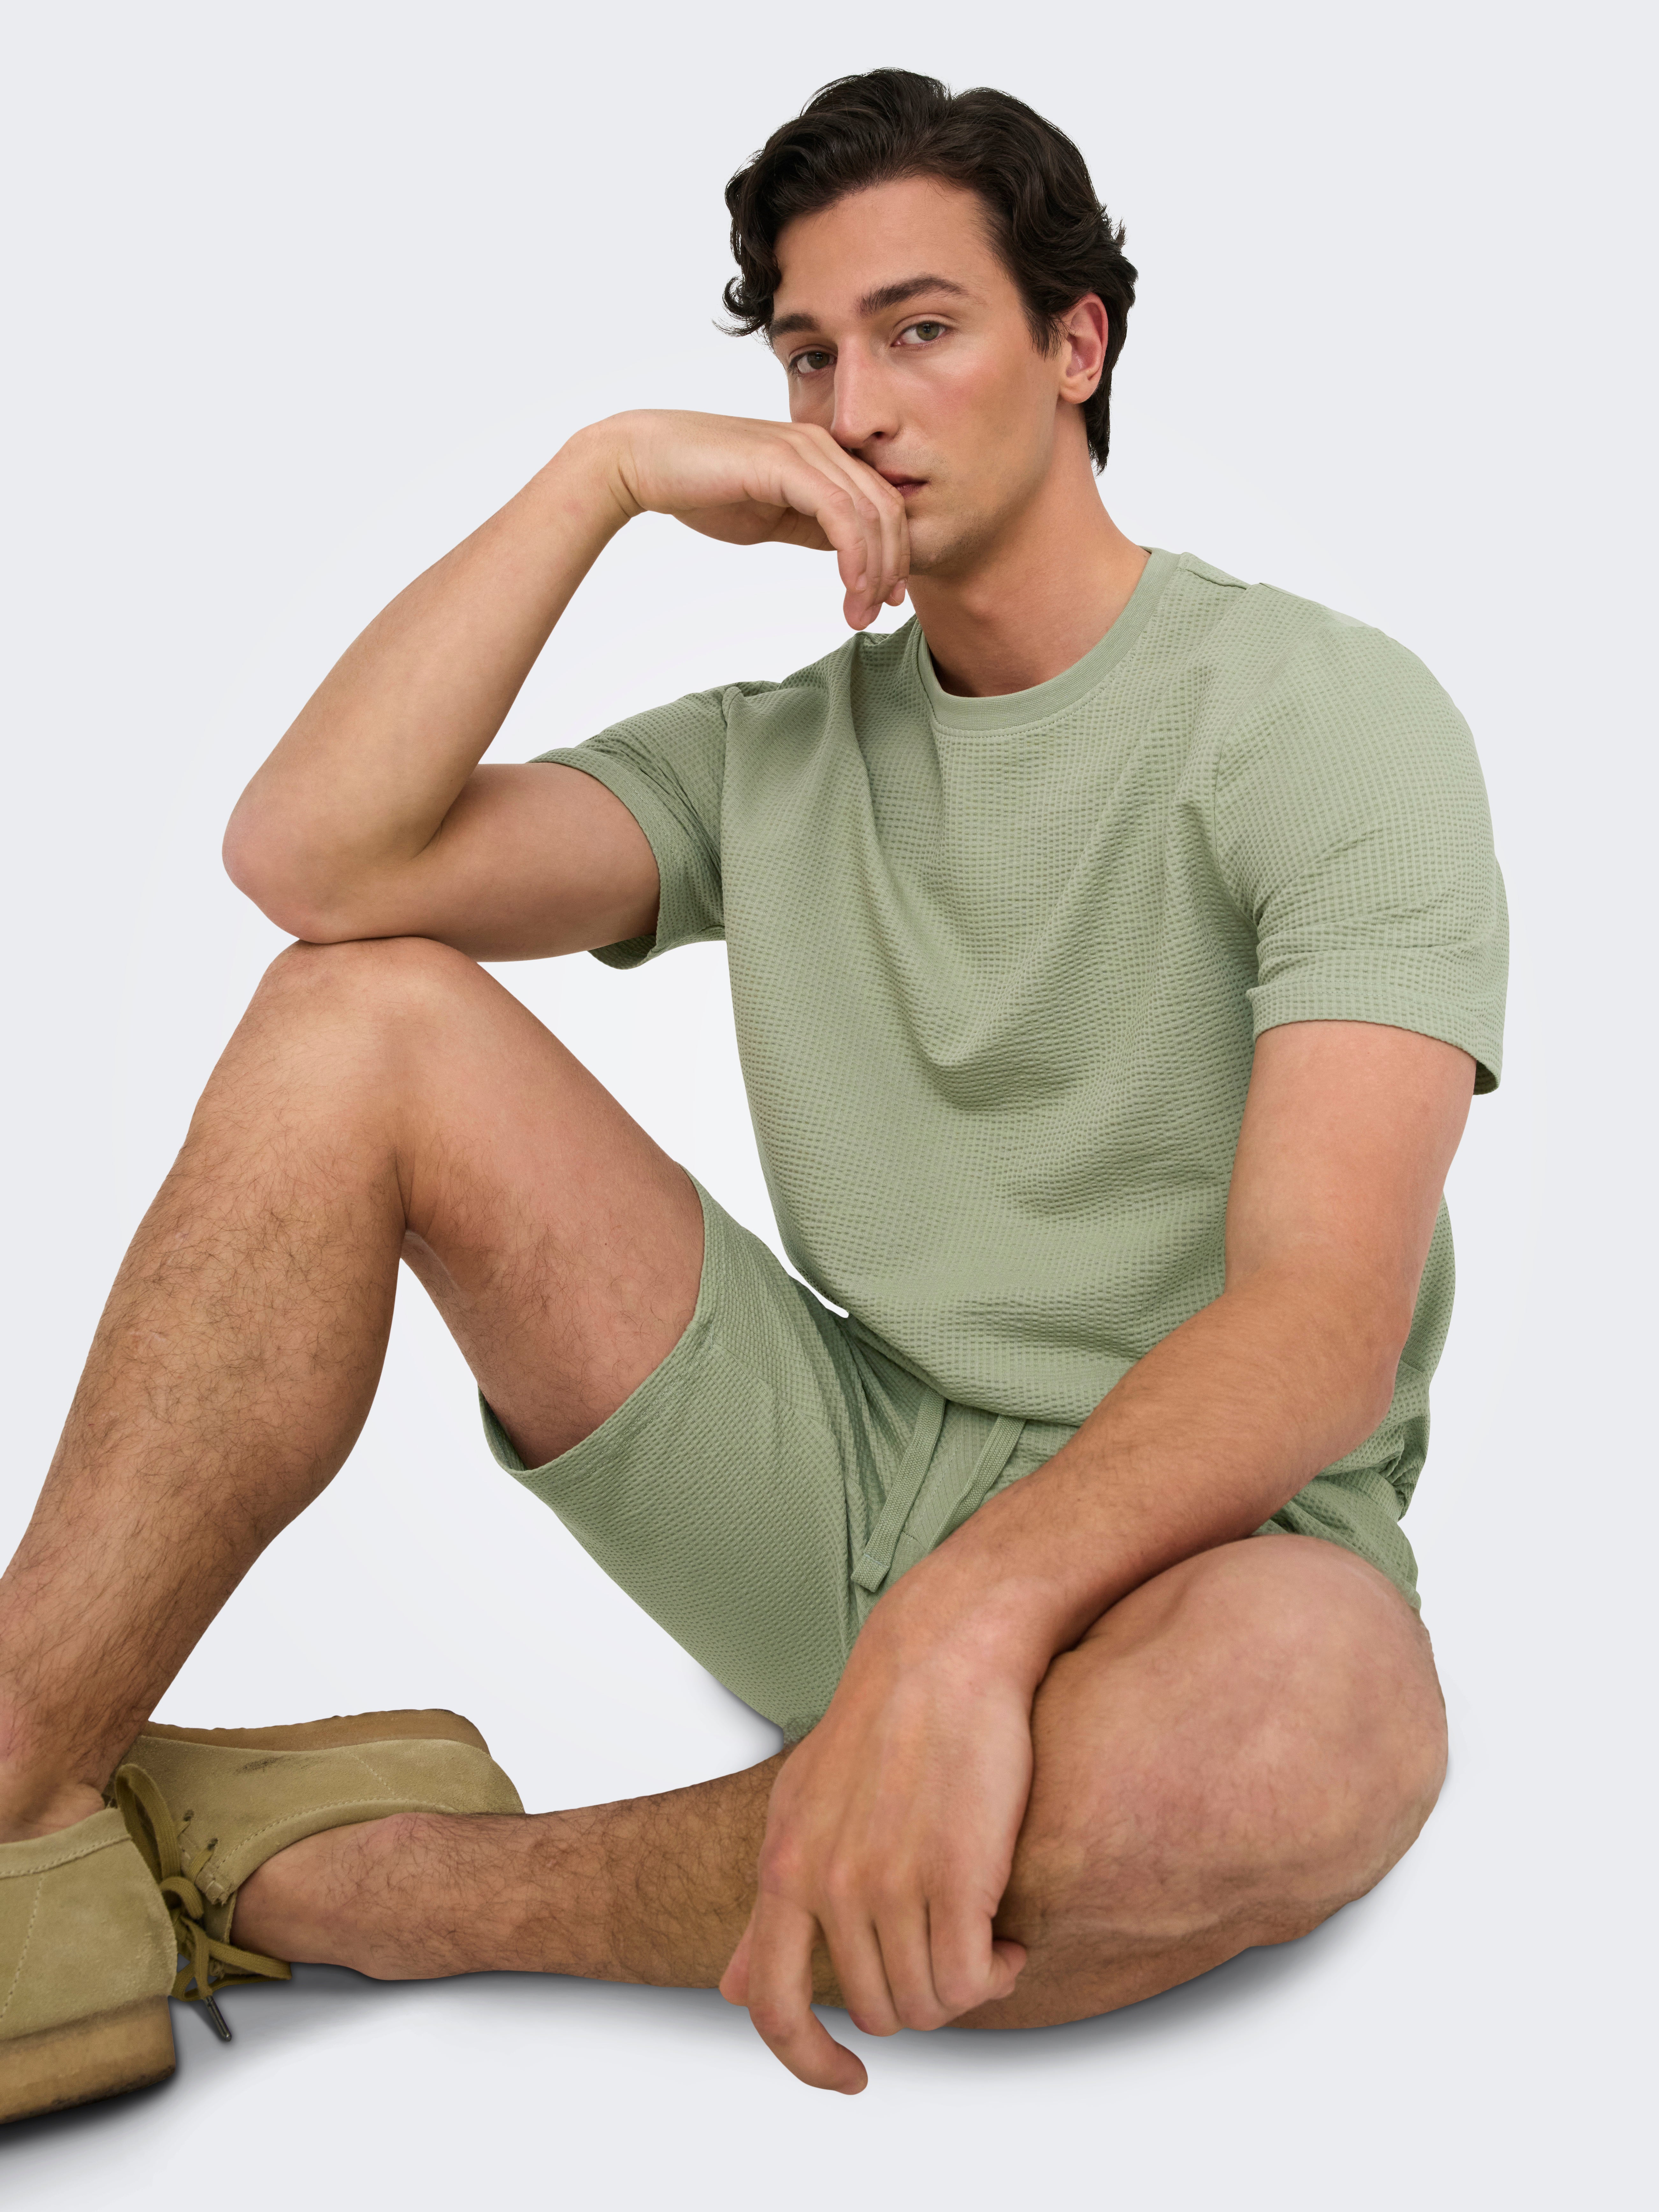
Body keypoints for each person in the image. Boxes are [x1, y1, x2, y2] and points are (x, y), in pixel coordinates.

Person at [0, 67, 1506, 2121]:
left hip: (1210, 1553)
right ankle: (20, 1788)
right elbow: (314, 861)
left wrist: (975, 1622)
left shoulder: (1325, 718)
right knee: (354, 1017)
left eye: (920, 328)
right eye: (810, 356)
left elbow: (1318, 1322)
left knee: (1304, 1747)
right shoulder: (775, 753)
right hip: (842, 1482)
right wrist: (602, 475)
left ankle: (332, 1886)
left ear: (1075, 347)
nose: (854, 406)